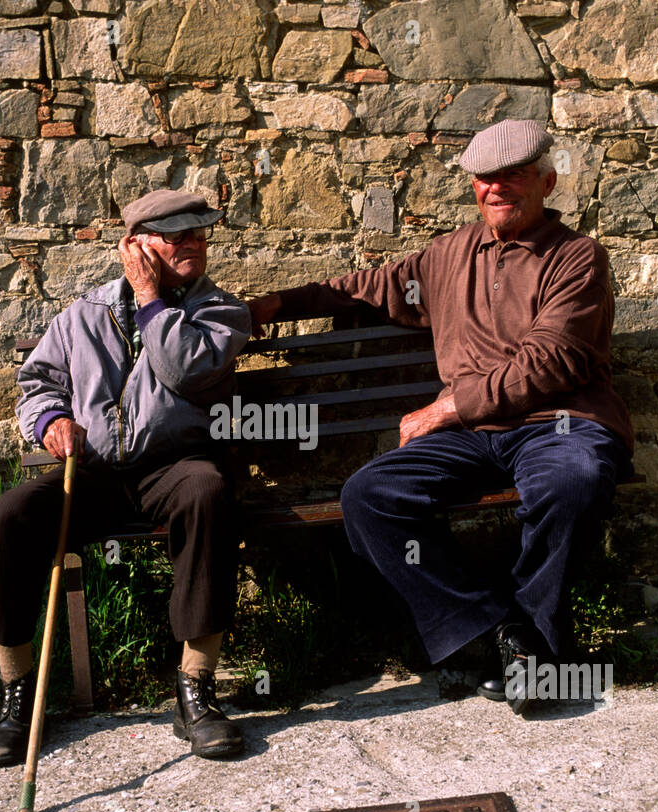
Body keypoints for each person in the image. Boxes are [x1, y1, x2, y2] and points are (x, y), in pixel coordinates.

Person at [248, 120, 635, 714]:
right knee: (370, 495)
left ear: (547, 182)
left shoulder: (577, 258)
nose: (497, 189)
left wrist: (447, 405)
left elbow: (551, 363)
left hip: (559, 423)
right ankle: (504, 634)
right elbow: (361, 289)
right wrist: (277, 304)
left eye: (514, 176)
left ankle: (542, 651)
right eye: (486, 179)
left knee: (573, 480)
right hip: (473, 437)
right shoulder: (448, 256)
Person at [0, 189, 252, 764]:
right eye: (176, 235)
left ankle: (195, 691)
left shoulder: (220, 310)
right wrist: (51, 420)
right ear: (134, 246)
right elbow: (39, 384)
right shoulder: (81, 316)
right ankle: (19, 697)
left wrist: (152, 299)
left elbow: (184, 367)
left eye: (198, 233)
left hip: (175, 467)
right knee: (5, 521)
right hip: (94, 473)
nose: (193, 243)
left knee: (208, 492)